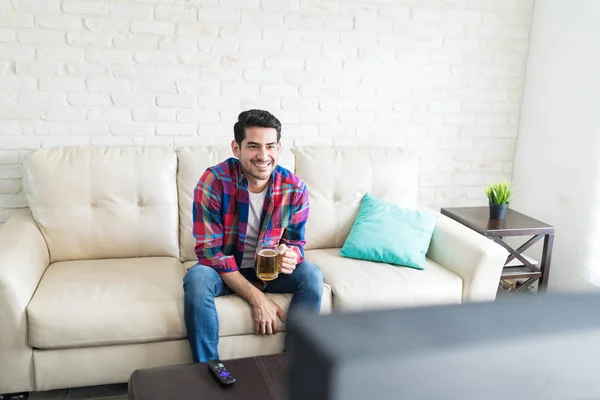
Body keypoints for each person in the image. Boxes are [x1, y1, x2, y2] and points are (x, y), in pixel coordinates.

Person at [183, 109, 324, 363]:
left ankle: (294, 366)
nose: (263, 155)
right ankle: (209, 369)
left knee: (312, 275)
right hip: (224, 272)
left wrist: (290, 254)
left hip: (268, 270)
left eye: (270, 146)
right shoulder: (213, 181)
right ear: (236, 148)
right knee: (197, 278)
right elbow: (209, 252)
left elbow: (296, 243)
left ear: (279, 147)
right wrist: (257, 298)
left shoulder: (294, 189)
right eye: (253, 146)